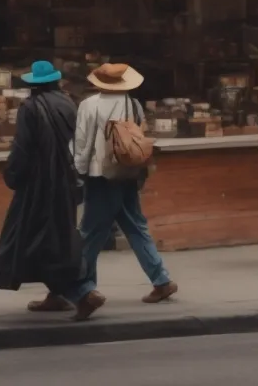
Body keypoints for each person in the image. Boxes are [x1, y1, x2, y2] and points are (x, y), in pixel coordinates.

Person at [0, 61, 102, 319]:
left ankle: (83, 293)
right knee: (54, 239)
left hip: (39, 187)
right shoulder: (68, 104)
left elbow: (22, 149)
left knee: (39, 243)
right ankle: (58, 296)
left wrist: (13, 176)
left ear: (33, 85)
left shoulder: (30, 108)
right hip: (67, 182)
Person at [72, 62, 179, 302]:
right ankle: (161, 279)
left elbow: (83, 142)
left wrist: (78, 170)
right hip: (128, 172)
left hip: (100, 175)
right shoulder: (133, 104)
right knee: (135, 225)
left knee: (90, 231)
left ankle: (82, 287)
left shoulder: (89, 105)